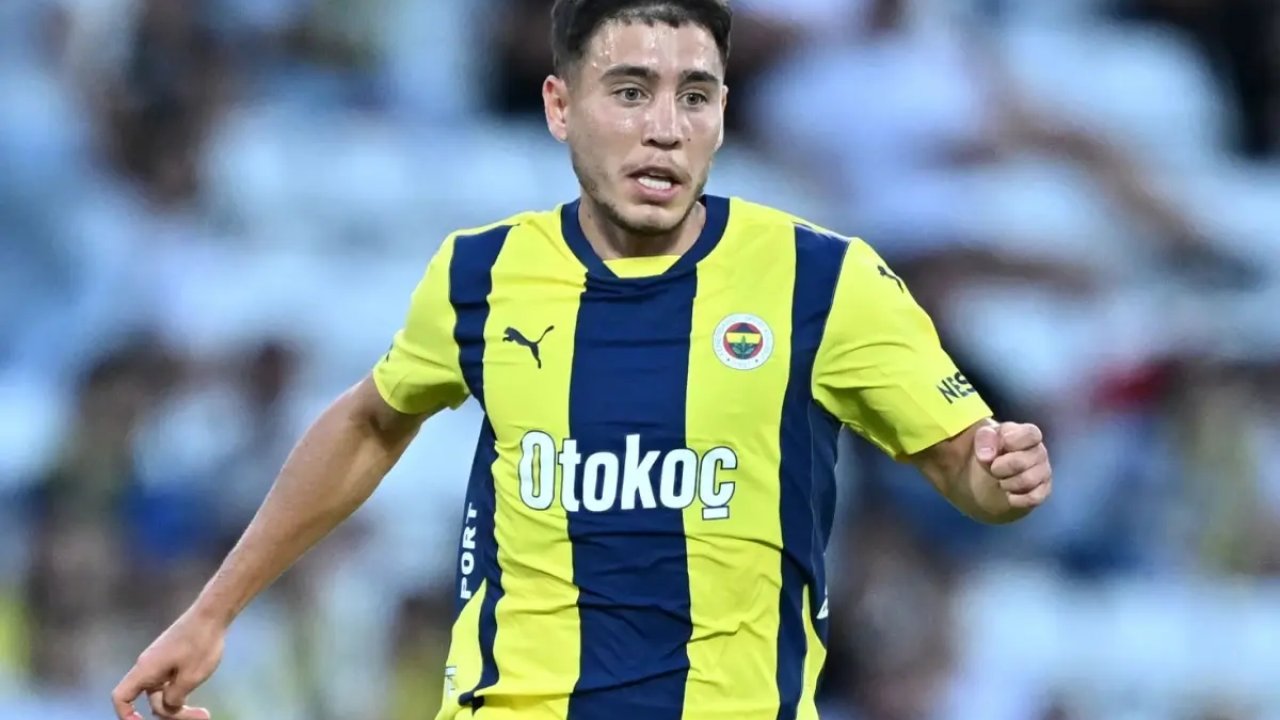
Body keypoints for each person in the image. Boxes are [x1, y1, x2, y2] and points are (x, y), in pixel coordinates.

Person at [111, 1, 1053, 719]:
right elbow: (369, 421)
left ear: (723, 114)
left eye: (695, 96)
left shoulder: (825, 279)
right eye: (631, 92)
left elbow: (961, 465)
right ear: (561, 106)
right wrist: (212, 611)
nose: (665, 127)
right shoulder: (483, 274)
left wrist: (999, 478)